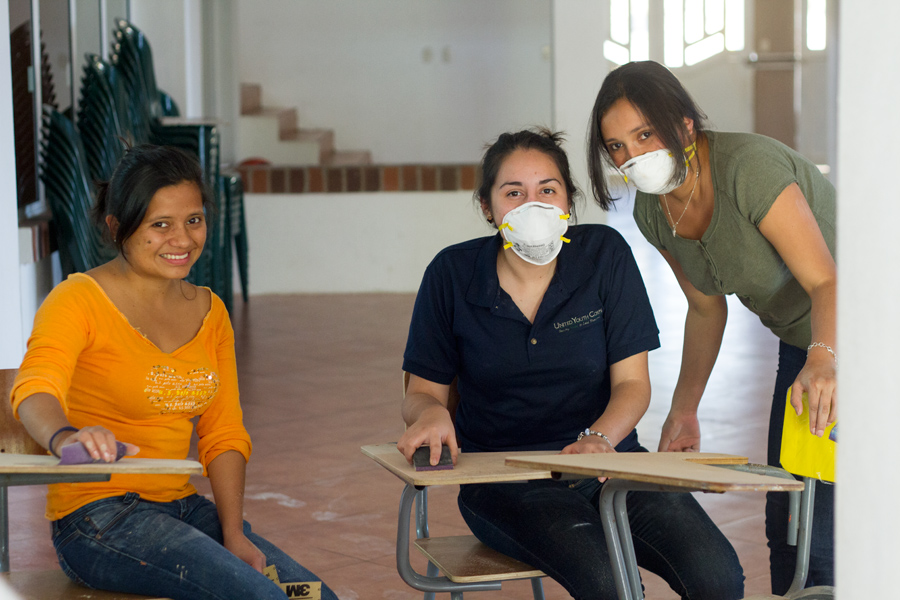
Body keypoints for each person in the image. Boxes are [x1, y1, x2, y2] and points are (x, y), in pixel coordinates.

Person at [397, 128, 744, 600]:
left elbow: (632, 385)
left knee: (717, 576)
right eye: (513, 192)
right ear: (487, 206)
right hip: (503, 480)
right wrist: (432, 413)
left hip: (609, 465)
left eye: (547, 190)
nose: (532, 204)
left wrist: (599, 439)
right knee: (611, 586)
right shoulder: (452, 274)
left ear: (568, 200)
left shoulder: (603, 256)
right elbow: (422, 392)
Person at [9, 145, 337, 600]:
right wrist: (66, 438)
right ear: (116, 226)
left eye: (194, 221)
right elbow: (35, 387)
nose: (182, 240)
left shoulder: (211, 311)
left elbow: (223, 433)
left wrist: (233, 532)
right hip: (97, 519)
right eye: (160, 225)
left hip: (182, 508)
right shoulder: (78, 299)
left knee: (315, 597)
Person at [587, 60, 836, 594]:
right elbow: (706, 308)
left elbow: (826, 283)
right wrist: (684, 409)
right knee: (789, 519)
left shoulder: (748, 168)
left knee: (822, 526)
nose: (632, 156)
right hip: (805, 342)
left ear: (683, 125)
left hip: (858, 326)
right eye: (617, 146)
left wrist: (823, 359)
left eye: (644, 134)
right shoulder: (653, 211)